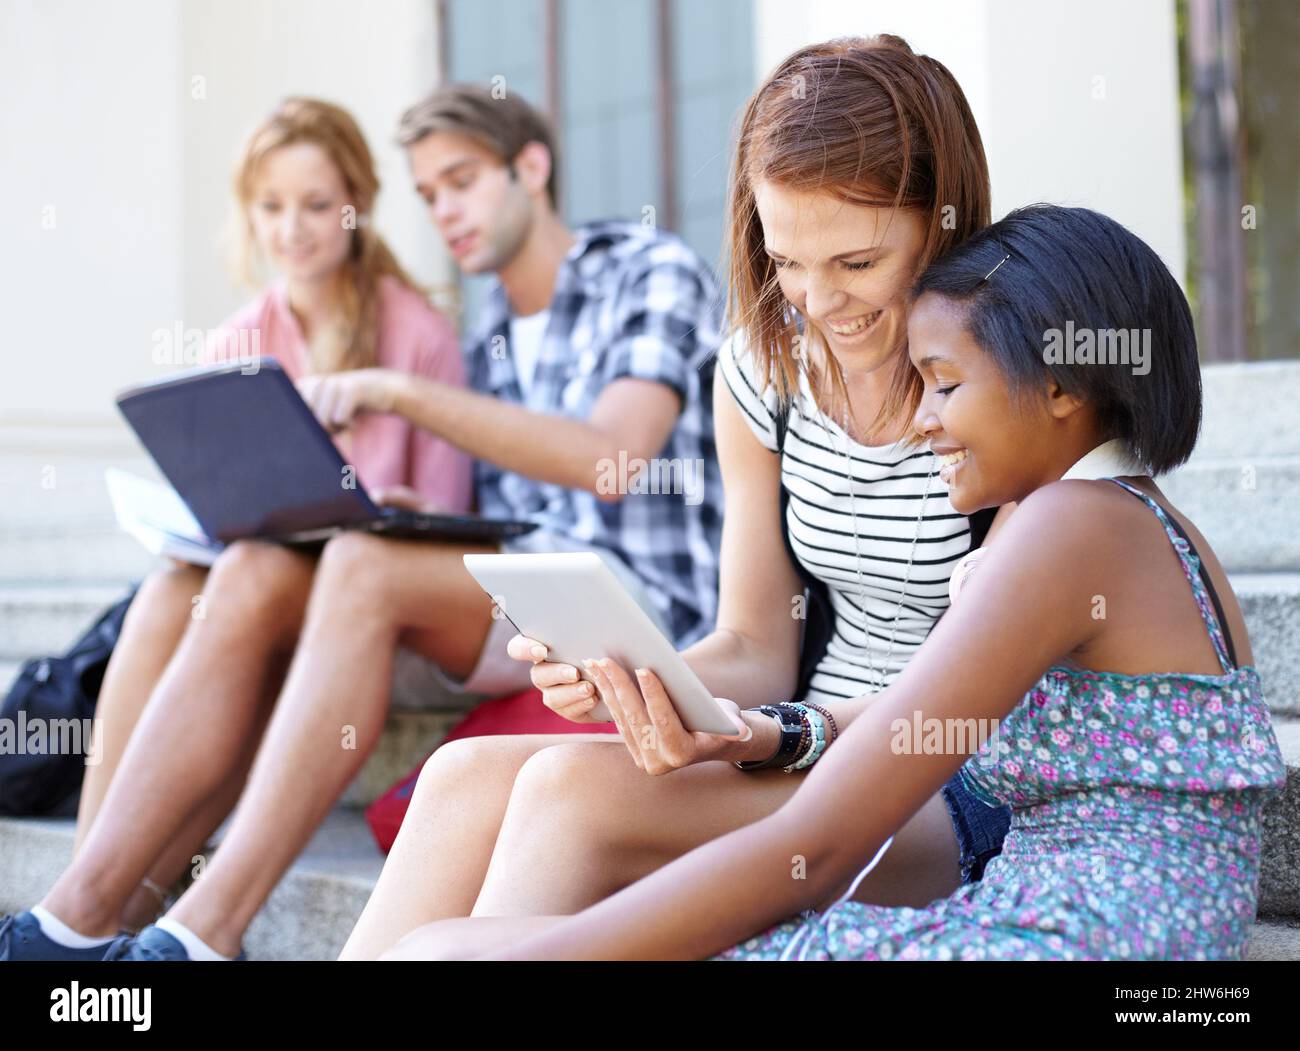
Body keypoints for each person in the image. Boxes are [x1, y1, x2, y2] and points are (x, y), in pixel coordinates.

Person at [386, 204, 1289, 961]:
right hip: (1066, 923)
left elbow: (814, 850)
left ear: (1057, 383)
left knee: (449, 950)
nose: (924, 421)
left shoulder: (1076, 526)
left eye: (942, 384)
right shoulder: (1115, 519)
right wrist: (753, 730)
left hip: (1079, 941)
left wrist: (539, 953)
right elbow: (917, 720)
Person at [0, 83, 723, 962]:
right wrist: (423, 519)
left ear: (531, 167)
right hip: (516, 592)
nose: (442, 211)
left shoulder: (645, 269)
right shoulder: (493, 323)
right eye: (426, 193)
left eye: (459, 180)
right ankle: (78, 916)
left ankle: (204, 931)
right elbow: (506, 508)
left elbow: (612, 459)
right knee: (230, 576)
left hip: (630, 603)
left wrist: (398, 394)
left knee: (357, 565)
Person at [341, 35, 1016, 960]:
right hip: (796, 744)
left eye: (858, 263)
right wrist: (646, 682)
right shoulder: (763, 364)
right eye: (789, 261)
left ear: (941, 221)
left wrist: (765, 734)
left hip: (949, 779)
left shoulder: (1003, 377)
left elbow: (1005, 685)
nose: (820, 302)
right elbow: (754, 643)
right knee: (457, 775)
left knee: (566, 794)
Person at [0, 96, 472, 959]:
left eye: (316, 203)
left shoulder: (416, 334)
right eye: (271, 206)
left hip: (369, 603)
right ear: (248, 213)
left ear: (357, 204)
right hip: (254, 592)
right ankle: (85, 901)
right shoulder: (238, 338)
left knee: (249, 575)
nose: (293, 228)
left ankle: (93, 913)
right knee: (176, 584)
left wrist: (390, 500)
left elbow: (451, 515)